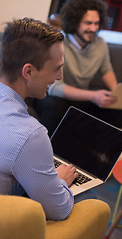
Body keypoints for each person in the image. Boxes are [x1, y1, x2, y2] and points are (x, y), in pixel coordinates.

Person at [0, 18, 78, 220]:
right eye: (56, 68)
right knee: (91, 198)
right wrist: (60, 180)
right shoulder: (29, 134)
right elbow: (59, 210)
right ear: (28, 71)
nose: (60, 76)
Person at [34, 0, 122, 135]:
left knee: (119, 112)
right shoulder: (58, 44)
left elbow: (106, 70)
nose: (94, 28)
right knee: (54, 106)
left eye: (96, 23)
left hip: (82, 98)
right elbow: (55, 88)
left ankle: (95, 152)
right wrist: (93, 96)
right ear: (74, 22)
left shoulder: (100, 44)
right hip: (57, 98)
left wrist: (117, 94)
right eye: (88, 23)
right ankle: (48, 151)